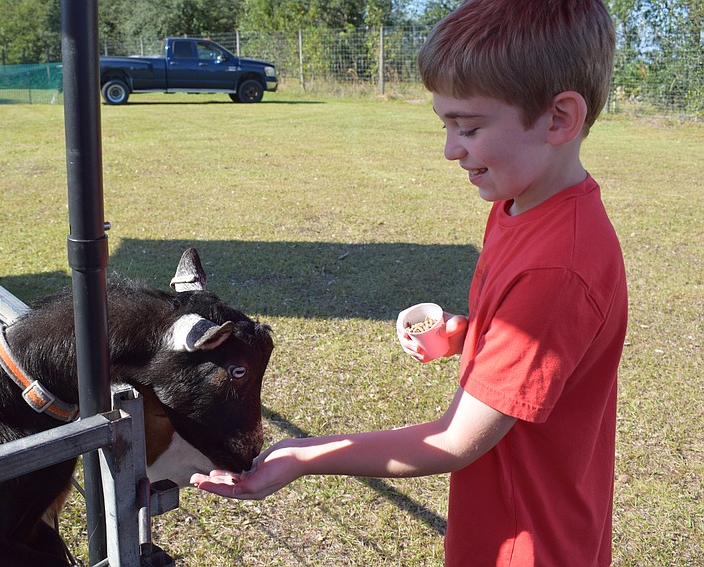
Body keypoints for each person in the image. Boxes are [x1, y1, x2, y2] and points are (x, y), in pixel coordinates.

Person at [191, 1, 628, 565]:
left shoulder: (558, 266)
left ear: (559, 119)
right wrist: (463, 336)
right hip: (507, 521)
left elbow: (455, 440)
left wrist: (303, 454)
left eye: (469, 127)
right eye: (445, 124)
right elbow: (541, 354)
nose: (451, 149)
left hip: (529, 541)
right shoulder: (520, 204)